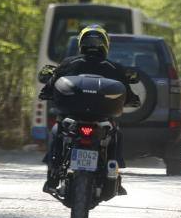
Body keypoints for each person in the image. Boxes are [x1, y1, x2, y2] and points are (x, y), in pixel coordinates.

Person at [40, 24, 139, 194]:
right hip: (102, 120)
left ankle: (53, 174)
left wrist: (46, 93)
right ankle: (113, 171)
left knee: (57, 130)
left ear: (81, 43)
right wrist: (133, 101)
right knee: (116, 134)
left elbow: (49, 86)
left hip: (72, 117)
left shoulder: (68, 63)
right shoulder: (114, 67)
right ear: (106, 44)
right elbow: (128, 94)